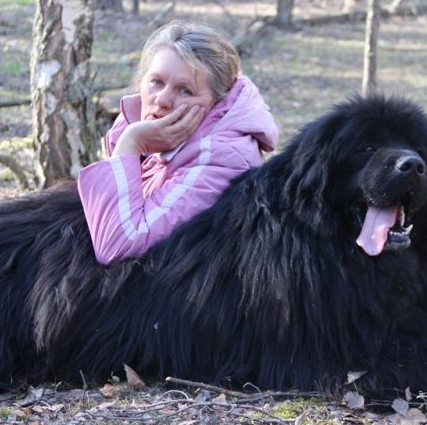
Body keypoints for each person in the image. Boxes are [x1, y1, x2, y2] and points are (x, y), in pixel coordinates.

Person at [77, 22, 279, 265]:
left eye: (185, 91)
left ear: (216, 103)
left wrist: (131, 143)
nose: (162, 100)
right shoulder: (162, 139)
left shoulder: (221, 158)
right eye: (156, 82)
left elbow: (119, 245)